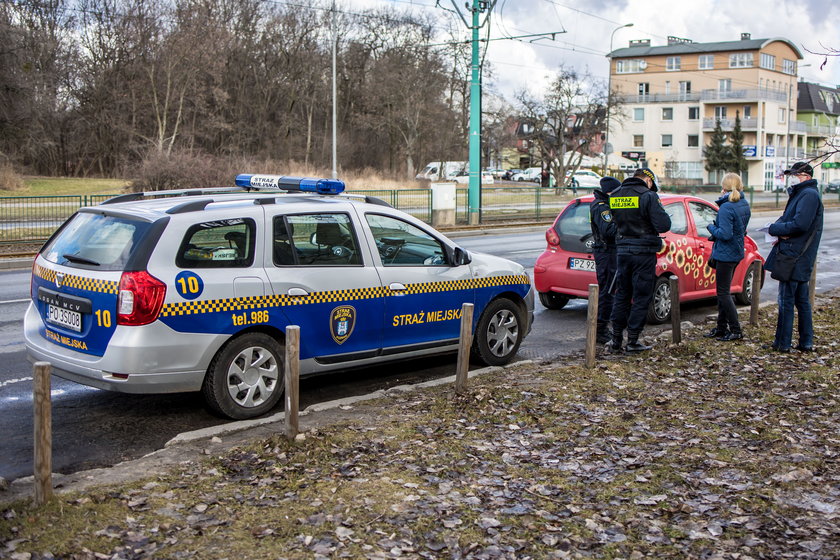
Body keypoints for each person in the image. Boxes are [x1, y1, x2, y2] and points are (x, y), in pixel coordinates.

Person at [607, 167, 671, 352]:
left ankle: (616, 339)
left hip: (623, 252)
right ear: (648, 181)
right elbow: (664, 225)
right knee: (642, 296)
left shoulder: (616, 194)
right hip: (643, 253)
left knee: (622, 295)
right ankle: (633, 340)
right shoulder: (648, 196)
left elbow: (615, 223)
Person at [764, 161, 824, 352]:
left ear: (805, 176)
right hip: (799, 255)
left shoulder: (808, 195)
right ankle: (805, 342)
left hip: (795, 256)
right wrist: (779, 231)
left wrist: (774, 229)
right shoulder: (805, 194)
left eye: (795, 175)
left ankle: (783, 343)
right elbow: (791, 221)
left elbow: (799, 224)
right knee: (801, 301)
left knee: (786, 301)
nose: (792, 179)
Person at [704, 173, 751, 341]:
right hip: (736, 252)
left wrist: (711, 227)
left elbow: (724, 234)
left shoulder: (726, 207)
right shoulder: (744, 204)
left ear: (724, 187)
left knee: (723, 294)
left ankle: (735, 329)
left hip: (725, 254)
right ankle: (721, 328)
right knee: (724, 292)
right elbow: (741, 230)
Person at [590, 176, 621, 344]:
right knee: (607, 292)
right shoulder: (602, 207)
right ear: (610, 192)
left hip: (609, 252)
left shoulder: (603, 204)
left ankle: (602, 327)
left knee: (609, 291)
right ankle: (600, 330)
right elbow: (608, 230)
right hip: (606, 252)